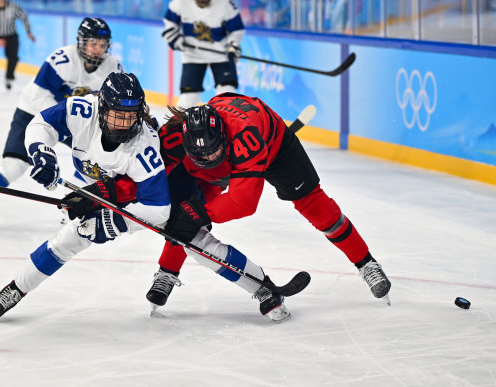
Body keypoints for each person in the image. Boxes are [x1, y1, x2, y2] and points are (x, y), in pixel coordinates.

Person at [144, 94, 392, 316]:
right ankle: (167, 271)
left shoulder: (244, 137)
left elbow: (243, 202)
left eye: (212, 151)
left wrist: (200, 213)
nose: (208, 158)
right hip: (228, 152)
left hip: (275, 148)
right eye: (201, 155)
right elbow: (146, 172)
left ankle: (366, 263)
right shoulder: (174, 135)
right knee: (183, 211)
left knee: (315, 206)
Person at [0, 72, 171, 319]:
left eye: (131, 116)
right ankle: (17, 288)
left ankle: (170, 272)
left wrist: (114, 221)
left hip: (126, 192)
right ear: (102, 108)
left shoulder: (144, 146)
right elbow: (41, 124)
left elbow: (159, 209)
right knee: (67, 239)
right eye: (118, 116)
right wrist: (42, 152)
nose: (125, 124)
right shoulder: (81, 110)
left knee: (73, 238)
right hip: (88, 182)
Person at [0, 17, 123, 230]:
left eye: (103, 44)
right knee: (14, 165)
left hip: (76, 120)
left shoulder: (113, 67)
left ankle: (70, 207)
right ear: (81, 41)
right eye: (93, 43)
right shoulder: (62, 60)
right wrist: (67, 123)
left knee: (95, 162)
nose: (98, 49)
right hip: (34, 112)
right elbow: (41, 97)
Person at [162, 0, 245, 108]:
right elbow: (169, 24)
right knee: (188, 99)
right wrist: (176, 40)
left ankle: (228, 128)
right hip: (192, 55)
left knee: (228, 95)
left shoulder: (225, 2)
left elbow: (236, 30)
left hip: (220, 54)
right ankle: (178, 129)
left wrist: (233, 44)